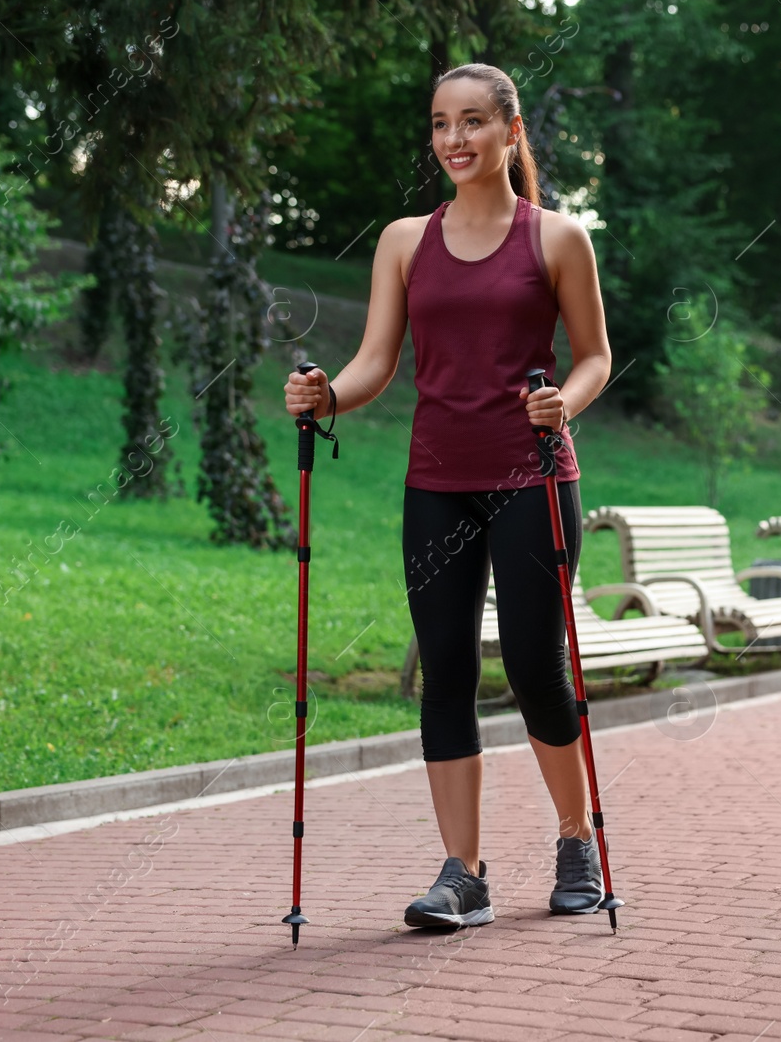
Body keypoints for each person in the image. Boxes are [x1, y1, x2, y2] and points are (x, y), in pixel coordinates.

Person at [283, 62, 613, 929]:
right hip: (436, 480)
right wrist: (326, 395)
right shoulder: (404, 240)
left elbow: (594, 357)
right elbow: (376, 361)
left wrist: (562, 403)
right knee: (447, 672)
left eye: (472, 122)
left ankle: (576, 837)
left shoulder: (557, 239)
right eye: (440, 124)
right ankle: (463, 872)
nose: (454, 139)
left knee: (538, 669)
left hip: (532, 478)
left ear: (511, 131)